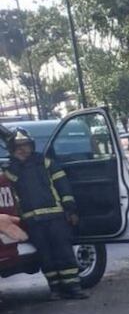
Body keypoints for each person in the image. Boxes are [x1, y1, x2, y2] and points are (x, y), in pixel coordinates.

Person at [2, 128, 87, 300]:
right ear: (12, 149)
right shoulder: (12, 169)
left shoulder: (45, 162)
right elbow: (10, 181)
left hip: (56, 216)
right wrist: (18, 162)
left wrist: (70, 209)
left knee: (64, 252)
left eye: (25, 145)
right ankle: (55, 290)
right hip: (32, 220)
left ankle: (74, 288)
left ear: (31, 145)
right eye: (18, 147)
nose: (22, 149)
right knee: (45, 256)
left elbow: (63, 185)